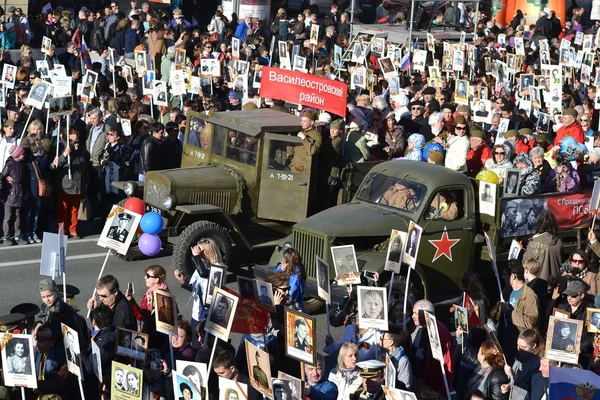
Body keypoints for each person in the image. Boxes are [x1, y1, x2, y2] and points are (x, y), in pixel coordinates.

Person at [174, 238, 223, 348]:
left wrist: (196, 257)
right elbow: (196, 289)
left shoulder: (218, 268)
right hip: (196, 313)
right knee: (194, 343)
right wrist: (183, 281)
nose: (197, 252)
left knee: (202, 346)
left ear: (208, 252)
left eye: (201, 250)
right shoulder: (202, 266)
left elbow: (204, 274)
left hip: (207, 317)